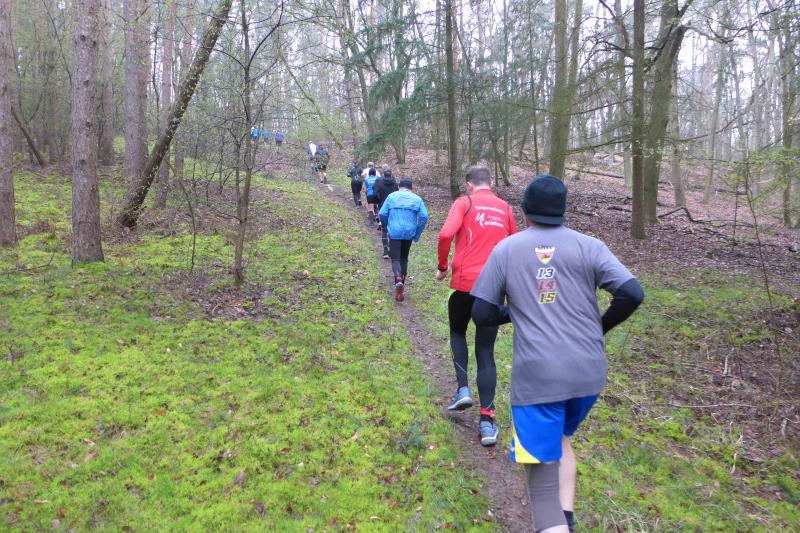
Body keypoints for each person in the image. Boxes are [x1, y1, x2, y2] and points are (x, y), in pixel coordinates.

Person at [470, 175, 644, 533]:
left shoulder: (507, 249)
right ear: (563, 210)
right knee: (561, 438)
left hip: (539, 379)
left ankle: (554, 524)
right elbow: (632, 293)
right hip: (588, 374)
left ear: (525, 210)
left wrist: (515, 310)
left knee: (541, 481)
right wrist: (598, 328)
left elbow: (482, 313)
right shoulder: (590, 246)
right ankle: (566, 520)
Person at [436, 165, 517, 447]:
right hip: (492, 289)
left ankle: (463, 389)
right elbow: (515, 246)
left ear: (469, 183)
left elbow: (445, 235)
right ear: (491, 182)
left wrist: (443, 267)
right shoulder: (506, 209)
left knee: (457, 332)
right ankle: (487, 421)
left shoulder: (464, 202)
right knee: (486, 351)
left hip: (464, 284)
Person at [379, 179, 428, 302]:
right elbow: (424, 216)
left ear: (398, 186)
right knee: (404, 258)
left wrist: (386, 226)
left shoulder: (392, 196)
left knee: (395, 259)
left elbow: (382, 213)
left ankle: (398, 280)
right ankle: (402, 285)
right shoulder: (417, 199)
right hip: (409, 232)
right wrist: (417, 233)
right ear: (411, 188)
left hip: (395, 231)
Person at [374, 169, 399, 258]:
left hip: (382, 207)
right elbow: (398, 195)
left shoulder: (379, 183)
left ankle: (385, 252)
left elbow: (375, 194)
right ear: (391, 175)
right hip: (393, 208)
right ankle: (391, 250)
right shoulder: (395, 184)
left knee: (384, 229)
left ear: (383, 175)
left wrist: (378, 202)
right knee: (392, 228)